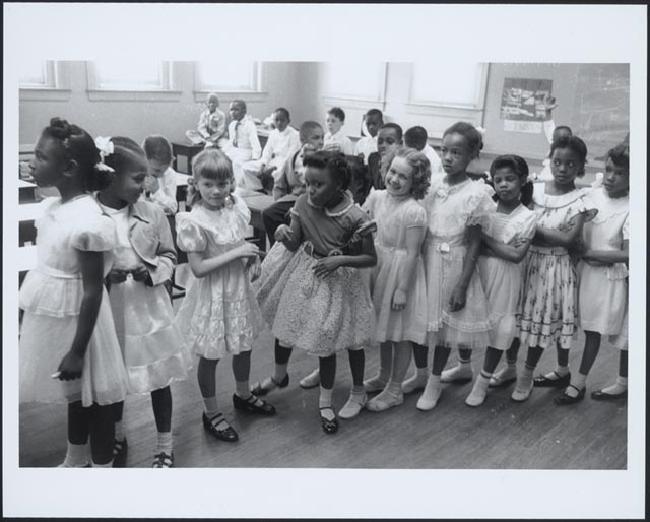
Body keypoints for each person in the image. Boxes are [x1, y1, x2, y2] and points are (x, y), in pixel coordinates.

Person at [19, 118, 129, 467]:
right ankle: (74, 460)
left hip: (85, 329)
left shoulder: (89, 220)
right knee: (75, 396)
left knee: (95, 404)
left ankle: (101, 469)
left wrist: (78, 351)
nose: (33, 162)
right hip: (60, 320)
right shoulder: (54, 208)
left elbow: (94, 291)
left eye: (40, 156)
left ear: (67, 169)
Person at [251, 151, 377, 434]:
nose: (310, 190)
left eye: (318, 184)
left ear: (339, 186)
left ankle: (325, 401)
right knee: (286, 326)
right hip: (305, 274)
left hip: (338, 282)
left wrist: (340, 259)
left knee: (327, 341)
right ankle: (279, 375)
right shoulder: (301, 203)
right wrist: (285, 231)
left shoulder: (355, 216)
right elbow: (295, 243)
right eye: (307, 182)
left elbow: (371, 259)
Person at [95, 136, 192, 468]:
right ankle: (118, 434)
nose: (146, 184)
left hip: (148, 310)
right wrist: (106, 277)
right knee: (115, 377)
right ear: (110, 175)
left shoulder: (153, 213)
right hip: (109, 311)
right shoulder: (91, 214)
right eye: (138, 178)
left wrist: (150, 270)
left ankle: (165, 443)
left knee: (157, 377)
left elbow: (170, 254)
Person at [174, 149, 275, 444]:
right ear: (196, 183)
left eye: (223, 184)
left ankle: (243, 394)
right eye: (208, 185)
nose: (216, 191)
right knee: (211, 354)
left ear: (231, 182)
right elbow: (198, 268)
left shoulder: (236, 207)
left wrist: (251, 259)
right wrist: (238, 253)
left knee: (243, 347)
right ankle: (211, 412)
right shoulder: (193, 220)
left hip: (238, 288)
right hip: (212, 294)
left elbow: (240, 244)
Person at [402, 122, 493, 411]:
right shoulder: (432, 184)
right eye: (445, 150)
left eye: (457, 152)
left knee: (442, 328)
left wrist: (463, 283)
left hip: (453, 262)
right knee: (420, 320)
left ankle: (435, 380)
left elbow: (475, 243)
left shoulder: (476, 193)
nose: (449, 157)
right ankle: (420, 373)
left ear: (472, 156)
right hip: (425, 259)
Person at [512, 135, 593, 402]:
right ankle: (511, 368)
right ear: (550, 161)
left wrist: (533, 229)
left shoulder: (581, 198)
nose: (562, 169)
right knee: (517, 320)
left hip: (556, 268)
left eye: (570, 164)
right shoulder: (533, 190)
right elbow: (515, 225)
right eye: (557, 162)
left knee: (547, 320)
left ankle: (527, 373)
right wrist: (551, 233)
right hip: (526, 262)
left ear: (580, 167)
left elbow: (570, 240)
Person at [555, 142, 629, 405]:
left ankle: (579, 382)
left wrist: (590, 254)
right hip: (579, 270)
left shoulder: (632, 207)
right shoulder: (592, 195)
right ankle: (562, 370)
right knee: (565, 320)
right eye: (608, 170)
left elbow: (628, 254)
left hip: (605, 280)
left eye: (619, 173)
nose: (610, 177)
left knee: (593, 331)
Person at [361, 147, 431, 412]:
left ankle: (395, 389)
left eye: (404, 176)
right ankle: (383, 375)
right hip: (379, 266)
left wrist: (402, 289)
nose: (395, 179)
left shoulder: (414, 211)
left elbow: (413, 253)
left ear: (416, 182)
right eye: (392, 171)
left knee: (400, 333)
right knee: (386, 329)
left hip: (402, 273)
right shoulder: (378, 197)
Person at [465, 155, 537, 406]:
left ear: (523, 181)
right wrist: (498, 247)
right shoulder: (485, 209)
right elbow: (470, 244)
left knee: (500, 328)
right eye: (498, 180)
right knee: (472, 320)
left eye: (510, 179)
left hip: (507, 279)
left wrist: (484, 240)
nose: (503, 184)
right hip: (480, 272)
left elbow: (516, 256)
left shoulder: (527, 216)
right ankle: (465, 366)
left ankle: (482, 382)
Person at [261, 121, 324, 245]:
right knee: (269, 213)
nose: (321, 142)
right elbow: (279, 185)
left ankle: (298, 248)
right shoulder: (291, 158)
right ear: (302, 139)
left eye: (322, 137)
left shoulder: (325, 160)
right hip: (293, 200)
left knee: (295, 217)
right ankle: (279, 247)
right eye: (316, 138)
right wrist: (278, 201)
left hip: (317, 202)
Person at [242, 107, 301, 192]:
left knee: (278, 173)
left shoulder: (294, 135)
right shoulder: (273, 133)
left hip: (285, 164)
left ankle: (279, 192)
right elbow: (267, 151)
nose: (279, 123)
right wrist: (263, 165)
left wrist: (273, 168)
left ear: (288, 121)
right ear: (273, 121)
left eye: (282, 120)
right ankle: (258, 188)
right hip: (273, 161)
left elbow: (290, 157)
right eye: (276, 120)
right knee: (246, 166)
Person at [223, 100, 262, 189]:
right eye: (231, 110)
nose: (233, 112)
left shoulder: (249, 125)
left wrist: (255, 158)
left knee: (237, 162)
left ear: (244, 111)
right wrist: (223, 151)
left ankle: (241, 187)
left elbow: (255, 144)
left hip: (247, 150)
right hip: (236, 150)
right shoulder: (232, 125)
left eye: (236, 110)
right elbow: (231, 141)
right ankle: (228, 185)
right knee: (221, 159)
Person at [535, 95, 572, 182]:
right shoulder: (554, 144)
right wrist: (547, 111)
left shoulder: (567, 156)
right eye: (557, 139)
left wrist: (536, 177)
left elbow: (552, 178)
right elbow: (549, 126)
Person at [142, 135, 179, 216]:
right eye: (157, 170)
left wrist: (157, 192)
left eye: (164, 170)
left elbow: (173, 208)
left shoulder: (169, 174)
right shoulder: (135, 173)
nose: (161, 175)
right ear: (144, 160)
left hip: (161, 219)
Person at [367, 123, 404, 191]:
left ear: (400, 144)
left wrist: (385, 170)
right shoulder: (374, 158)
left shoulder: (404, 163)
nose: (383, 145)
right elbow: (369, 186)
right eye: (380, 142)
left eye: (389, 141)